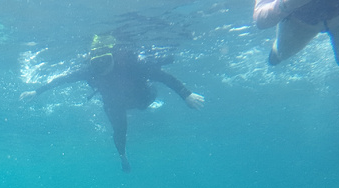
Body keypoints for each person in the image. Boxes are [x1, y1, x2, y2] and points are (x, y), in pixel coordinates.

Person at [19, 35, 205, 173]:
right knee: (120, 129)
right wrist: (37, 91)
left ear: (113, 57)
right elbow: (62, 79)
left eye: (104, 61)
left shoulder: (132, 65)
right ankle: (123, 156)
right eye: (96, 64)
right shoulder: (88, 71)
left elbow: (163, 76)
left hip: (141, 96)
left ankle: (149, 107)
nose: (100, 67)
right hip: (114, 102)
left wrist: (186, 95)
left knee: (143, 105)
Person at [253, 0, 339, 123]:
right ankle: (277, 52)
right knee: (283, 51)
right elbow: (260, 20)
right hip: (301, 18)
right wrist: (288, 3)